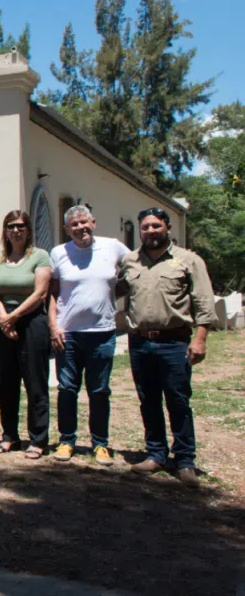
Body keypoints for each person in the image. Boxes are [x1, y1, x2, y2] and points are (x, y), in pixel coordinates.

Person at [118, 208, 216, 488]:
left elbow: (203, 303)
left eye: (156, 226)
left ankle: (185, 460)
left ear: (168, 227)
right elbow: (114, 290)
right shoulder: (130, 261)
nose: (151, 231)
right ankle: (156, 454)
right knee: (148, 400)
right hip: (139, 341)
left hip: (174, 341)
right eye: (146, 227)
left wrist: (200, 339)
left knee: (178, 400)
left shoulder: (188, 261)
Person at [48, 205, 129, 465]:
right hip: (68, 334)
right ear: (66, 229)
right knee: (67, 389)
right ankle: (67, 441)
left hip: (102, 333)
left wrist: (112, 296)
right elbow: (52, 293)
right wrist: (54, 326)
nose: (80, 228)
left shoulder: (113, 247)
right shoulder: (59, 252)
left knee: (99, 390)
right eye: (74, 224)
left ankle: (100, 444)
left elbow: (137, 267)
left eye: (84, 222)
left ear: (93, 222)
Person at [0, 211, 52, 459]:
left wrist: (14, 317)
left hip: (32, 321)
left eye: (21, 226)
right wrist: (4, 317)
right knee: (6, 382)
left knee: (35, 381)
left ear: (28, 230)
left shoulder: (39, 256)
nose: (16, 231)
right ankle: (9, 436)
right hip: (2, 320)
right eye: (11, 226)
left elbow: (40, 293)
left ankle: (38, 439)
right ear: (5, 230)